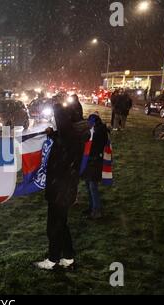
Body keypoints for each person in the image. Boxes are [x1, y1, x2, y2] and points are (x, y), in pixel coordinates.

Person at [35, 100, 84, 271]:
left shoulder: (69, 139)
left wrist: (57, 109)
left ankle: (53, 259)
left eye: (56, 119)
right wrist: (52, 134)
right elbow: (62, 136)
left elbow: (64, 141)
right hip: (64, 188)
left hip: (60, 190)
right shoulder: (71, 136)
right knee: (62, 225)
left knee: (54, 226)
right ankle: (68, 257)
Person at [80, 114, 109, 219]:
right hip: (90, 161)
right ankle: (92, 207)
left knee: (92, 187)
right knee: (89, 185)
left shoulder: (98, 132)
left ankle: (97, 211)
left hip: (95, 162)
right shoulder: (95, 130)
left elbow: (90, 141)